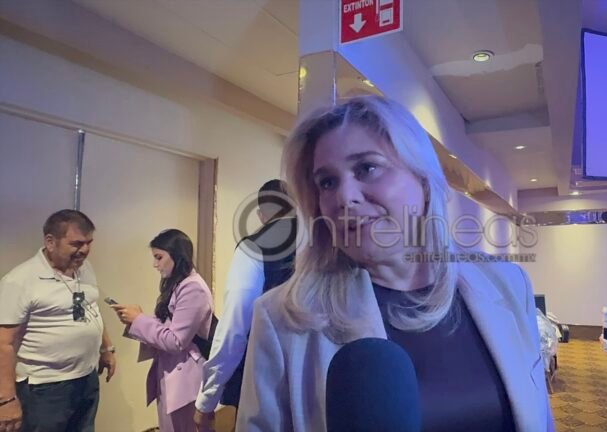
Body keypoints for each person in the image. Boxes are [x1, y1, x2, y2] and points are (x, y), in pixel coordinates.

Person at [236, 95, 554, 431]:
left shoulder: (508, 284)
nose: (344, 197)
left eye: (367, 168)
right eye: (327, 182)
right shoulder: (282, 319)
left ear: (423, 180)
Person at [194, 179, 297, 431]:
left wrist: (207, 399)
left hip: (267, 381)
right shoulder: (327, 240)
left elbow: (235, 327)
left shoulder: (255, 247)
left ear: (261, 215)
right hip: (325, 378)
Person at [0, 209, 116, 432]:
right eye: (77, 244)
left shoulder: (84, 268)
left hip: (86, 380)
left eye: (89, 243)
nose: (85, 250)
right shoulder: (20, 280)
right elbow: (3, 343)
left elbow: (90, 308)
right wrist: (6, 399)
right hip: (44, 389)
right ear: (50, 242)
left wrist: (106, 348)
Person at [111, 229, 213, 432]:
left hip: (186, 377)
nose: (155, 264)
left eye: (159, 257)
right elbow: (169, 327)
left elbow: (176, 340)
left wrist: (138, 320)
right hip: (173, 371)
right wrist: (136, 319)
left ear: (176, 255)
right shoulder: (179, 284)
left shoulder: (193, 287)